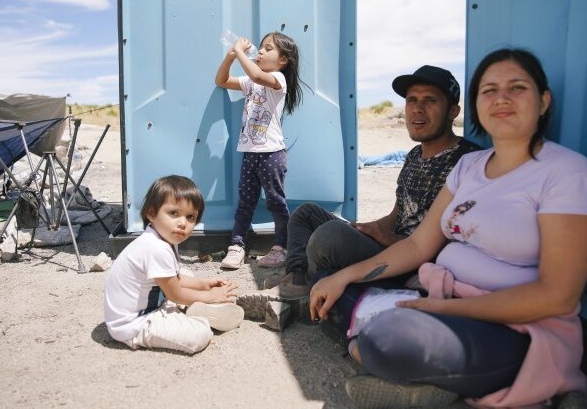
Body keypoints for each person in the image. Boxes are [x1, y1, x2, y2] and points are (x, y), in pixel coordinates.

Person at [310, 49, 587, 408]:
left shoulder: (566, 172)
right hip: (437, 299)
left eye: (517, 88)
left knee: (387, 338)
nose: (501, 98)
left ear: (543, 101)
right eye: (489, 90)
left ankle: (403, 364)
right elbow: (419, 246)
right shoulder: (470, 166)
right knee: (327, 282)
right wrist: (347, 276)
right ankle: (427, 382)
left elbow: (557, 295)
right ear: (479, 105)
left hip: (513, 326)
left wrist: (439, 311)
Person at [269, 65, 480, 305]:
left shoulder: (468, 162)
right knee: (305, 213)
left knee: (328, 237)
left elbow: (453, 245)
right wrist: (368, 229)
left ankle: (309, 293)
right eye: (412, 100)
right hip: (390, 245)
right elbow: (398, 214)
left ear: (453, 111)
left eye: (430, 100)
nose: (418, 109)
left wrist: (386, 239)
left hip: (412, 263)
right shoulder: (413, 156)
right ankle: (296, 278)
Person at [104, 176, 244, 354]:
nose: (182, 223)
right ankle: (195, 317)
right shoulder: (157, 248)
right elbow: (175, 292)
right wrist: (212, 297)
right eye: (173, 213)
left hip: (150, 304)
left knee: (185, 273)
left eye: (190, 217)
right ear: (151, 213)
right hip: (132, 325)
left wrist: (203, 284)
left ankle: (188, 309)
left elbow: (175, 278)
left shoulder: (161, 238)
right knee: (199, 335)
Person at [214, 32, 305, 270]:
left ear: (283, 60)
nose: (261, 52)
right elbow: (221, 81)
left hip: (272, 153)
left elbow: (256, 73)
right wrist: (231, 56)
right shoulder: (251, 82)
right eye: (261, 48)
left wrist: (242, 52)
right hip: (250, 152)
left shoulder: (278, 79)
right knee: (246, 201)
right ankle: (236, 246)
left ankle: (281, 248)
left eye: (268, 48)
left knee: (276, 201)